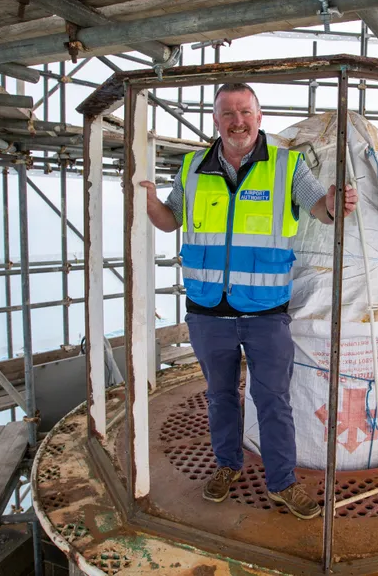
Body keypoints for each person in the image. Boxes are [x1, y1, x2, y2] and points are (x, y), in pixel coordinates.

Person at [140, 82, 358, 520]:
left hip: (265, 314)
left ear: (259, 118)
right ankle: (227, 466)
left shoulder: (287, 166)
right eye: (227, 113)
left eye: (245, 112)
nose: (237, 121)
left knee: (273, 399)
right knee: (220, 396)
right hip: (207, 313)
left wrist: (335, 203)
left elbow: (321, 210)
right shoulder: (192, 167)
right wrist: (147, 202)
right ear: (216, 120)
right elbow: (170, 221)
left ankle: (282, 483)